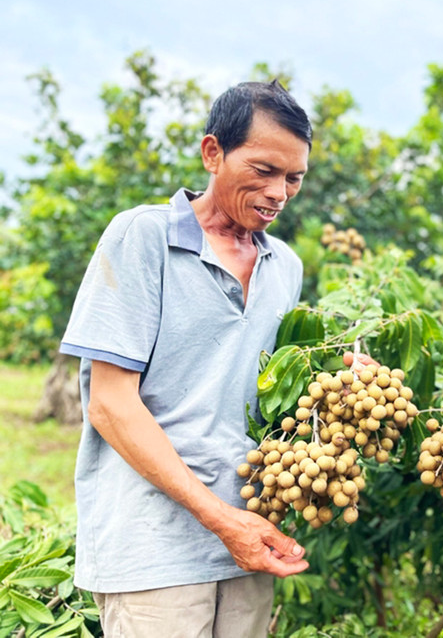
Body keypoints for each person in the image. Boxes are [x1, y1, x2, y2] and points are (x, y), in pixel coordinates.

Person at [60, 80, 313, 637]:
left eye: (294, 178)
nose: (280, 193)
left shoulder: (285, 266)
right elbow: (110, 403)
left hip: (250, 540)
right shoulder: (142, 236)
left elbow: (267, 388)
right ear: (213, 153)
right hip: (154, 547)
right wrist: (222, 520)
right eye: (265, 170)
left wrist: (338, 380)